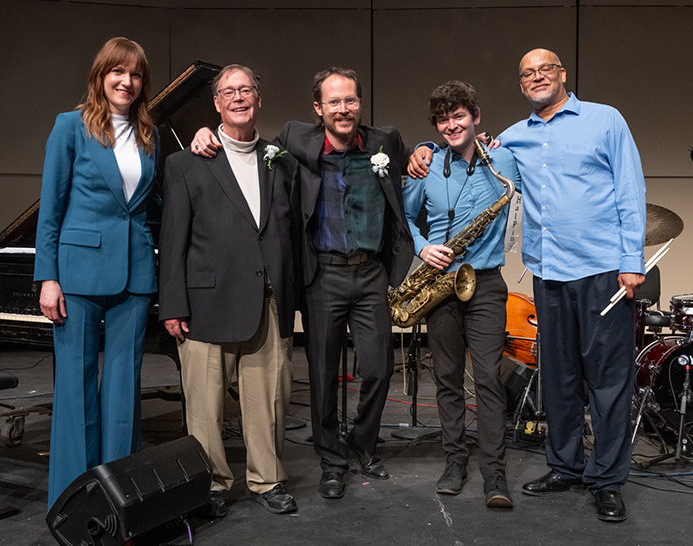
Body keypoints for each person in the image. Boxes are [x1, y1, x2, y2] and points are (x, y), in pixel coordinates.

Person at [409, 49, 646, 522]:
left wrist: (631, 261)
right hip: (549, 271)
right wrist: (422, 150)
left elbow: (630, 187)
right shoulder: (513, 139)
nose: (537, 77)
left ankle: (607, 479)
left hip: (602, 269)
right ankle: (564, 465)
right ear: (521, 85)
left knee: (606, 380)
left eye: (545, 69)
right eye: (527, 74)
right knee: (557, 377)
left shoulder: (605, 120)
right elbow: (465, 151)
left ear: (562, 74)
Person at [191, 67, 414, 499]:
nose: (343, 109)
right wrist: (205, 131)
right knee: (323, 375)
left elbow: (418, 157)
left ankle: (363, 444)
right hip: (322, 275)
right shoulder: (295, 139)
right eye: (334, 102)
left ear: (360, 104)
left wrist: (423, 149)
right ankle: (331, 460)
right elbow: (245, 144)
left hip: (371, 274)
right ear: (319, 108)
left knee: (379, 368)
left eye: (350, 100)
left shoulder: (385, 141)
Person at [159, 64, 299, 517]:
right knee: (205, 410)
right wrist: (173, 304)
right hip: (204, 305)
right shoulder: (185, 163)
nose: (238, 98)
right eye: (228, 92)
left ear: (258, 100)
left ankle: (267, 479)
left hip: (267, 303)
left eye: (246, 90)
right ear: (216, 103)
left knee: (269, 403)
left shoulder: (281, 160)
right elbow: (173, 238)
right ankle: (212, 485)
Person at [34, 37, 159, 509]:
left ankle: (120, 498)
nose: (127, 82)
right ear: (101, 75)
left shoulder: (150, 132)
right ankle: (72, 500)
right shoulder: (70, 127)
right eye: (118, 72)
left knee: (124, 390)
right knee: (75, 387)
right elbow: (52, 208)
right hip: (78, 273)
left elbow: (147, 207)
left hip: (134, 276)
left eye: (136, 74)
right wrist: (48, 276)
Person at [403, 81, 520, 508]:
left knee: (488, 378)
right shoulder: (426, 163)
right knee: (447, 378)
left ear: (475, 117)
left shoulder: (504, 159)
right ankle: (454, 459)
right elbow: (404, 217)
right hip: (440, 283)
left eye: (459, 116)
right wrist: (421, 246)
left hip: (486, 281)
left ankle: (495, 473)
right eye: (443, 119)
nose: (451, 125)